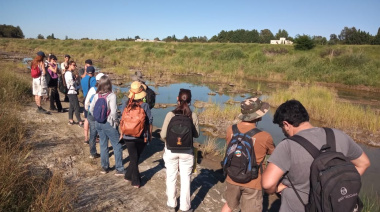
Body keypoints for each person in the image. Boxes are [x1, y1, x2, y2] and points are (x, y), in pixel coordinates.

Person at [261, 100, 371, 212]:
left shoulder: (287, 145)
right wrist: (341, 184)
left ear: (286, 124)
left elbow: (267, 184)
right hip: (334, 206)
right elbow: (364, 163)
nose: (283, 131)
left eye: (281, 127)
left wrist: (277, 188)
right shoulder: (339, 135)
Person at [221, 97, 275, 212]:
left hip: (232, 175)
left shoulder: (231, 129)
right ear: (258, 115)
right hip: (253, 181)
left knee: (229, 205)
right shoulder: (265, 136)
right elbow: (273, 154)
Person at [160, 88, 200, 212]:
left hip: (171, 151)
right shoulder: (192, 115)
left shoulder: (170, 114)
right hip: (187, 152)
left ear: (177, 99)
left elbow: (162, 135)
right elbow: (197, 134)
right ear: (190, 100)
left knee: (171, 177)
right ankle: (185, 207)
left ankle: (171, 205)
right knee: (186, 179)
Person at [119, 81, 153, 188]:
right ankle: (136, 180)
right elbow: (150, 121)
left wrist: (121, 133)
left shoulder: (125, 104)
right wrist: (150, 135)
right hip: (140, 136)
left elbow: (121, 120)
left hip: (127, 136)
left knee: (134, 156)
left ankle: (128, 175)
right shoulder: (145, 105)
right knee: (135, 157)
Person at [89, 75, 124, 175]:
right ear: (109, 85)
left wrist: (97, 117)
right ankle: (119, 168)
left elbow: (91, 109)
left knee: (103, 145)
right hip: (108, 123)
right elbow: (113, 112)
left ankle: (105, 167)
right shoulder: (111, 95)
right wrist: (116, 121)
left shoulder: (96, 95)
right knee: (117, 145)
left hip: (98, 123)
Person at [84, 72, 105, 158]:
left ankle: (93, 153)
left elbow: (86, 102)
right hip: (101, 115)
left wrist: (88, 110)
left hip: (91, 114)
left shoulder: (92, 89)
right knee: (103, 133)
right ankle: (104, 152)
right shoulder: (105, 91)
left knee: (93, 133)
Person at [65, 61, 83, 127]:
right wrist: (76, 80)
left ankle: (70, 120)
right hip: (72, 92)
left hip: (71, 92)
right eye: (74, 65)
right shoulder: (68, 73)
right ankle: (80, 121)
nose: (75, 66)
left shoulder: (69, 73)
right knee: (76, 107)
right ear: (70, 65)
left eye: (75, 65)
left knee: (71, 107)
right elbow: (71, 83)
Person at [81, 66, 97, 143]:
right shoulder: (93, 80)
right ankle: (94, 137)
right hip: (91, 101)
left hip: (85, 99)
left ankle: (86, 137)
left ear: (87, 72)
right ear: (93, 72)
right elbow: (94, 90)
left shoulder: (83, 79)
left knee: (86, 119)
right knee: (93, 121)